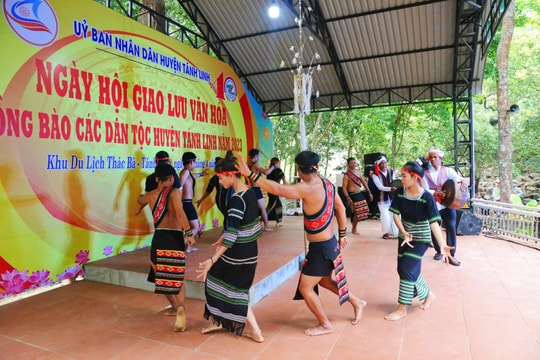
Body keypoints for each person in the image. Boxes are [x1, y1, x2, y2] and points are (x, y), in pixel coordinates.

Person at [237, 150, 366, 336]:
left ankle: (325, 325)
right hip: (328, 244)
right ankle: (357, 302)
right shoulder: (328, 184)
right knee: (324, 281)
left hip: (321, 248)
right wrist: (343, 234)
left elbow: (278, 189)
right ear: (317, 167)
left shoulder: (306, 188)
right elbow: (340, 207)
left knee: (306, 287)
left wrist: (250, 174)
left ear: (298, 168)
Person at [196, 151, 264, 343]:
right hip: (250, 251)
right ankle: (219, 320)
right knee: (231, 286)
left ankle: (254, 330)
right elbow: (245, 225)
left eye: (220, 178)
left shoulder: (235, 199)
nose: (219, 182)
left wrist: (212, 259)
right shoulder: (249, 192)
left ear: (230, 174)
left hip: (238, 253)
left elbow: (233, 233)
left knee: (222, 283)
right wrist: (225, 235)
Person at [385, 159, 453, 321]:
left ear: (415, 177)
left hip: (421, 239)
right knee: (402, 269)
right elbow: (395, 214)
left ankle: (402, 308)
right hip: (404, 238)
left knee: (408, 269)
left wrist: (442, 245)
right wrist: (403, 231)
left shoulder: (426, 198)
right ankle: (428, 294)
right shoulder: (401, 192)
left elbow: (434, 223)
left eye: (404, 176)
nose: (401, 179)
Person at [137, 164, 195, 331]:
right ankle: (180, 309)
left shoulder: (150, 195)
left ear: (156, 179)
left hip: (159, 238)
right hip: (174, 238)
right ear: (171, 178)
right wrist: (189, 234)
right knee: (177, 278)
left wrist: (141, 201)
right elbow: (179, 213)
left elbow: (139, 200)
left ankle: (175, 307)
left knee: (159, 275)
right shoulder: (175, 192)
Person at [422, 149, 468, 266]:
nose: (433, 159)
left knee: (451, 227)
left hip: (448, 204)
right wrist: (435, 193)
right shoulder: (425, 173)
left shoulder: (448, 171)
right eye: (431, 157)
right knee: (435, 227)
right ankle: (439, 251)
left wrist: (464, 181)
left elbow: (459, 179)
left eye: (436, 157)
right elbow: (424, 189)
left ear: (441, 159)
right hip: (434, 203)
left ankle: (451, 254)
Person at [179, 151, 208, 252]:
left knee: (192, 227)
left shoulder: (187, 173)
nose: (195, 164)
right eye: (195, 162)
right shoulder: (185, 172)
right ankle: (183, 242)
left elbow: (192, 177)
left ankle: (188, 246)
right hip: (186, 203)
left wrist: (201, 174)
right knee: (195, 227)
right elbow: (179, 185)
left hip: (187, 203)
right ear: (191, 162)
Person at [342, 157, 373, 234]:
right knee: (358, 211)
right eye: (351, 163)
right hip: (352, 194)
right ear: (348, 164)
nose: (353, 164)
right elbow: (344, 188)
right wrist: (348, 198)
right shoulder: (347, 175)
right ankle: (354, 228)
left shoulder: (358, 172)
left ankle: (353, 221)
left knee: (365, 209)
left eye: (354, 162)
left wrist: (369, 192)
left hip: (359, 193)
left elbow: (364, 183)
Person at [246, 148, 275, 231]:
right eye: (258, 156)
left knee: (252, 208)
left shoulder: (247, 164)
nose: (259, 157)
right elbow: (266, 172)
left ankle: (252, 226)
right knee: (262, 208)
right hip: (255, 189)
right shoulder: (256, 165)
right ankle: (266, 226)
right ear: (256, 156)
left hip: (249, 188)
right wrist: (273, 166)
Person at [372, 156, 399, 239]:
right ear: (378, 165)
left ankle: (395, 232)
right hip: (382, 199)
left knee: (393, 215)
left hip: (392, 198)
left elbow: (394, 181)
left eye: (385, 162)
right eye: (382, 163)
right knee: (385, 216)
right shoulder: (375, 175)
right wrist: (390, 188)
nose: (384, 164)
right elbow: (380, 187)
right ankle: (385, 233)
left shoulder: (391, 171)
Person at [266, 157, 288, 227]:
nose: (279, 164)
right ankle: (262, 218)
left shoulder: (269, 171)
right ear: (276, 163)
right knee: (272, 205)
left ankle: (278, 221)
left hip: (270, 190)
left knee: (277, 205)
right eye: (278, 163)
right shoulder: (279, 171)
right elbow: (284, 181)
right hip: (275, 190)